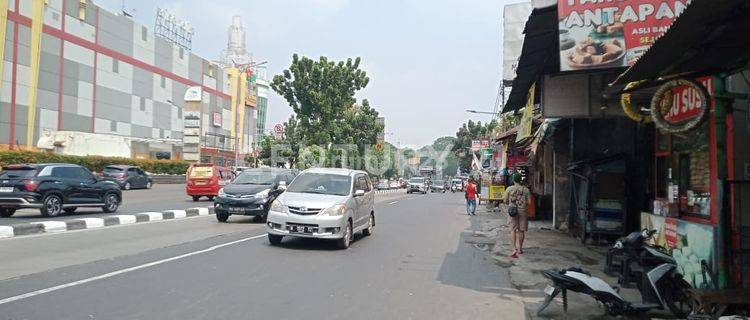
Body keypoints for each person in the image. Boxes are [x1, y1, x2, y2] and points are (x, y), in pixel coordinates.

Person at [503, 172, 531, 258]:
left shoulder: (509, 189)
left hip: (512, 212)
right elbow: (529, 202)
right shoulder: (526, 190)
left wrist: (510, 202)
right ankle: (520, 249)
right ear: (520, 180)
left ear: (513, 180)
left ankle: (514, 248)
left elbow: (504, 200)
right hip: (523, 211)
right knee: (521, 230)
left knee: (513, 230)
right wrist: (523, 205)